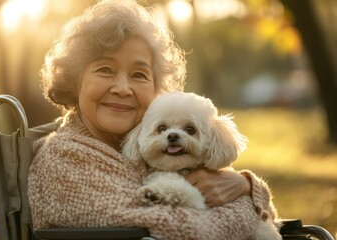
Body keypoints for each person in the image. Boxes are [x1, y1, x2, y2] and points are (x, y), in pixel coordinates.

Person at [28, 0, 279, 239]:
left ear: (156, 88)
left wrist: (243, 184)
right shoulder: (65, 158)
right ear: (75, 80)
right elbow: (193, 232)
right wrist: (249, 201)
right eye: (105, 69)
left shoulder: (147, 151)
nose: (123, 88)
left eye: (139, 74)